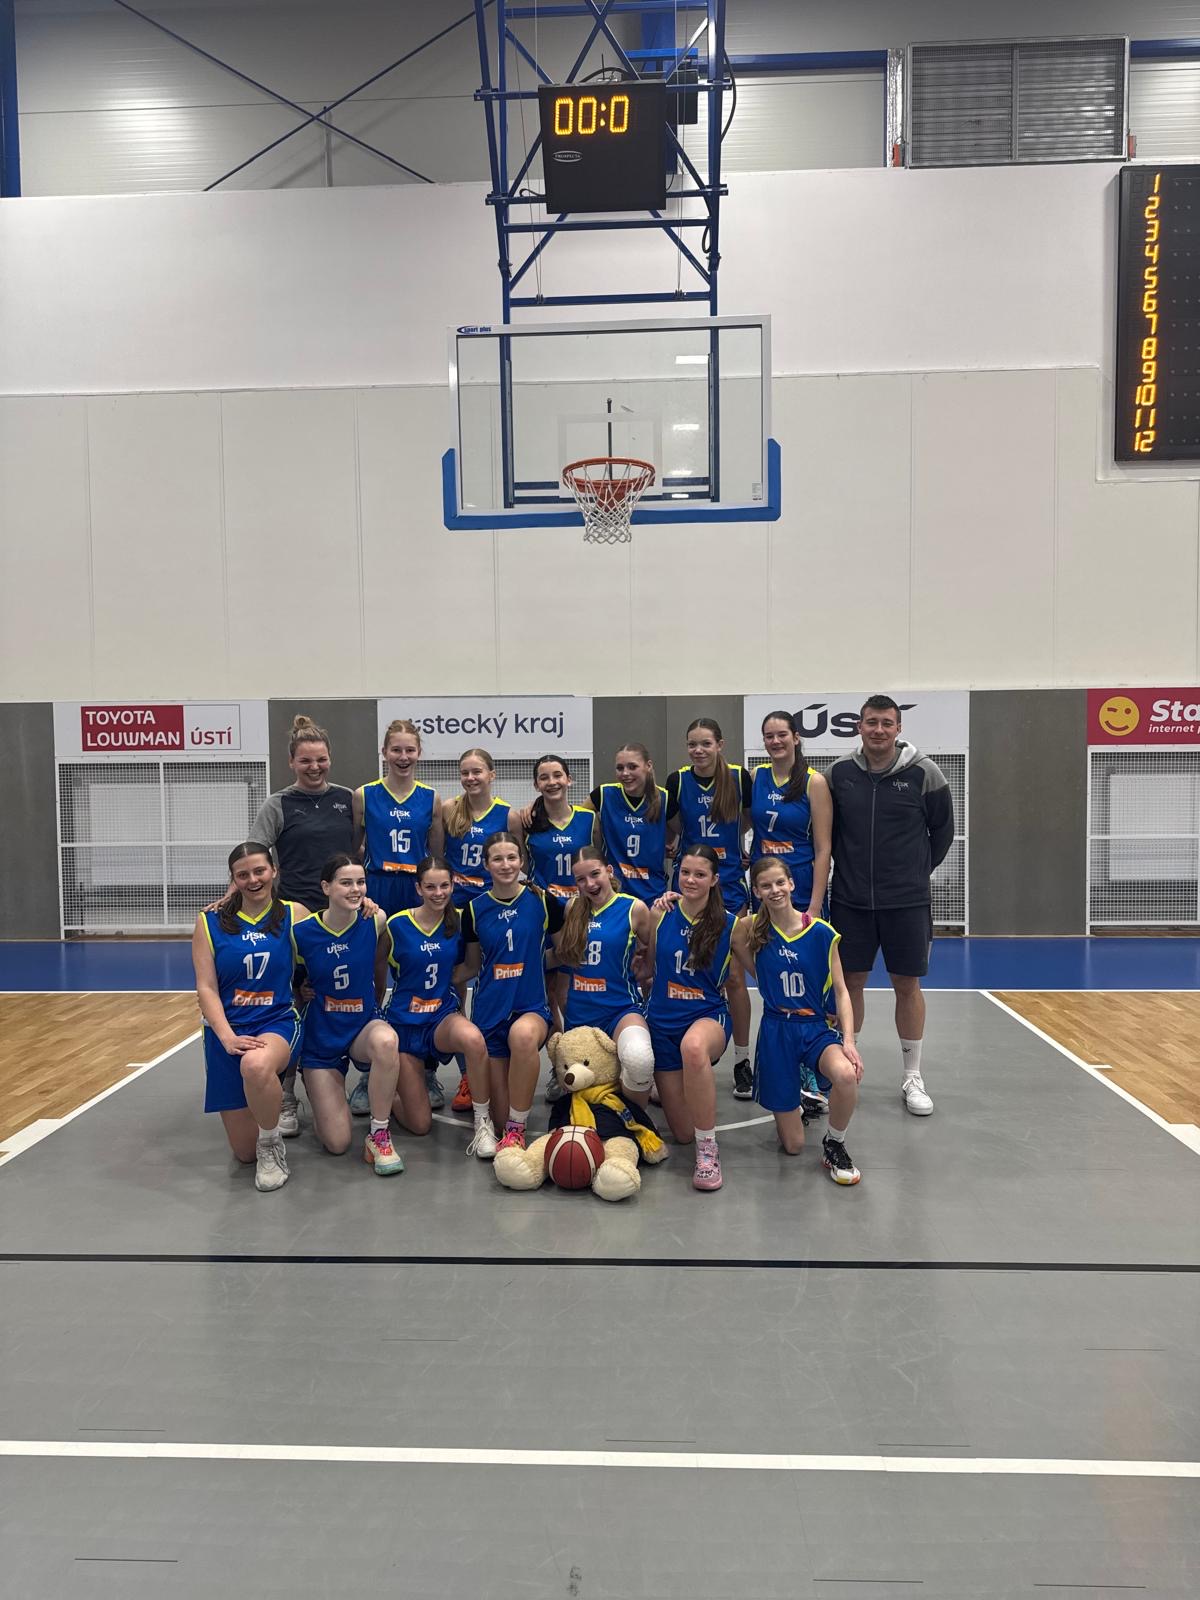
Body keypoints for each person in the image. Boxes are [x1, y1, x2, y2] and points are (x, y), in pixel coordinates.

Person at [826, 695, 954, 1117]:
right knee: (851, 982)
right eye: (871, 722)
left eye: (886, 723)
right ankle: (848, 1065)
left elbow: (942, 832)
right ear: (858, 727)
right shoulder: (839, 774)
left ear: (898, 728)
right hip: (850, 901)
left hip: (907, 903)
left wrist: (913, 873)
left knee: (907, 985)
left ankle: (912, 1076)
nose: (878, 730)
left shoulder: (925, 773)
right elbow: (829, 832)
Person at [248, 714, 354, 1138]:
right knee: (293, 1002)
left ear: (330, 759)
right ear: (291, 761)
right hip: (294, 918)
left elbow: (360, 848)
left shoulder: (347, 799)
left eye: (321, 759)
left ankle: (351, 1078)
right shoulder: (278, 804)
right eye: (306, 760)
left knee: (341, 997)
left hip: (341, 919)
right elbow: (254, 856)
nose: (315, 767)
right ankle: (286, 1094)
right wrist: (233, 896)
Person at [732, 858, 864, 1184]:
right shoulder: (751, 929)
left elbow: (842, 992)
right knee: (793, 1146)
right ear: (756, 891)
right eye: (765, 885)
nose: (774, 890)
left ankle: (835, 1143)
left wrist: (849, 1041)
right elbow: (725, 931)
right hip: (776, 1030)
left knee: (846, 1074)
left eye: (780, 882)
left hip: (814, 1027)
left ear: (791, 884)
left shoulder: (821, 932)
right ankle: (798, 1099)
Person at [192, 842, 305, 1193]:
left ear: (274, 871)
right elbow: (206, 988)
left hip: (276, 1021)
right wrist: (226, 1036)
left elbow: (339, 928)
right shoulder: (209, 922)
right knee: (243, 1153)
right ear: (233, 879)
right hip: (227, 1030)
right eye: (243, 875)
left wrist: (368, 905)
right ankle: (263, 1128)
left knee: (255, 1065)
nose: (253, 880)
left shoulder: (294, 914)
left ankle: (271, 1144)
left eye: (260, 871)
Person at [348, 718, 444, 1118]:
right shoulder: (364, 795)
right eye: (396, 750)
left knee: (421, 976)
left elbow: (435, 856)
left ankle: (425, 1067)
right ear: (384, 753)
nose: (403, 757)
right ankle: (367, 1069)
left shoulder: (432, 798)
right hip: (378, 889)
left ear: (419, 753)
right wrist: (359, 894)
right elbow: (354, 852)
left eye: (410, 750)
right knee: (372, 976)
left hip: (415, 891)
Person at [290, 855, 405, 1175]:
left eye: (360, 882)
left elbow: (380, 964)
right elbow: (291, 980)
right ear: (326, 887)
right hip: (322, 1036)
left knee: (387, 1041)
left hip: (361, 1027)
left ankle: (379, 1135)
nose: (355, 889)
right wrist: (301, 989)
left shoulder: (375, 919)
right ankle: (317, 1089)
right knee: (337, 1143)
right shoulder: (301, 933)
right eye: (346, 882)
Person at [454, 832, 564, 1153]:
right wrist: (429, 981)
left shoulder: (543, 901)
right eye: (498, 859)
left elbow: (562, 953)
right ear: (486, 864)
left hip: (530, 1007)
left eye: (512, 857)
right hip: (489, 1011)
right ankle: (505, 1124)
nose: (506, 865)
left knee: (523, 1036)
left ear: (521, 861)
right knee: (499, 1118)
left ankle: (517, 1129)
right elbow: (472, 966)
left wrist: (533, 962)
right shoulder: (473, 910)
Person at [384, 856, 498, 1159]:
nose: (438, 893)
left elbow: (469, 967)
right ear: (418, 888)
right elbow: (374, 970)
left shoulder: (460, 921)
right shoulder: (396, 925)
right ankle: (387, 1093)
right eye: (430, 887)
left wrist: (450, 988)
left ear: (453, 885)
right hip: (404, 1025)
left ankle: (483, 1122)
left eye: (444, 886)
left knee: (473, 1039)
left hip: (440, 1017)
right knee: (420, 1125)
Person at [665, 718, 754, 1099]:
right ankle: (675, 1050)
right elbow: (673, 826)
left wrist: (735, 850)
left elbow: (746, 821)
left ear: (720, 744)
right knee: (678, 969)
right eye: (692, 744)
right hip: (688, 884)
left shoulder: (739, 778)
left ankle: (742, 1060)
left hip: (728, 885)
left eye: (705, 743)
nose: (698, 751)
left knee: (734, 976)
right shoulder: (677, 781)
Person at [642, 844, 736, 1192]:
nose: (691, 880)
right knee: (682, 1133)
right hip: (662, 1021)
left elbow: (756, 973)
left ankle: (708, 1151)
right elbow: (649, 969)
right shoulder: (660, 914)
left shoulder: (731, 924)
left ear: (714, 879)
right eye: (685, 872)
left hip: (707, 1017)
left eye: (700, 874)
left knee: (694, 1047)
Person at [439, 749, 523, 1113]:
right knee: (456, 988)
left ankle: (501, 1057)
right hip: (456, 912)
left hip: (494, 909)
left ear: (492, 774)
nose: (471, 778)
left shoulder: (509, 815)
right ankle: (466, 1074)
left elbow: (519, 860)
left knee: (495, 982)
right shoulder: (449, 810)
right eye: (465, 772)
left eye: (477, 771)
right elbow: (438, 857)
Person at [552, 846, 656, 1102]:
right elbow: (565, 970)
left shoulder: (634, 909)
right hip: (580, 1017)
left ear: (609, 871)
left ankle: (635, 1119)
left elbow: (653, 961)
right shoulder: (572, 908)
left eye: (595, 874)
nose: (589, 884)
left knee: (640, 1058)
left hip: (621, 1010)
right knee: (587, 1098)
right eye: (580, 879)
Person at [522, 753, 595, 1052]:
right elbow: (521, 864)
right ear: (536, 784)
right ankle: (560, 1059)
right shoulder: (526, 823)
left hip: (580, 912)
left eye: (557, 775)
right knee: (549, 992)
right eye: (544, 777)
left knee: (573, 989)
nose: (552, 782)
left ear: (569, 779)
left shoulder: (589, 819)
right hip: (545, 912)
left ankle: (586, 1053)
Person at [589, 743, 669, 904]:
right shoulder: (604, 794)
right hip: (615, 892)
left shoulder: (665, 799)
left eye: (632, 767)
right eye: (620, 768)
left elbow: (684, 830)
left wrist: (666, 843)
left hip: (653, 894)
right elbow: (573, 819)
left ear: (648, 766)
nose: (625, 773)